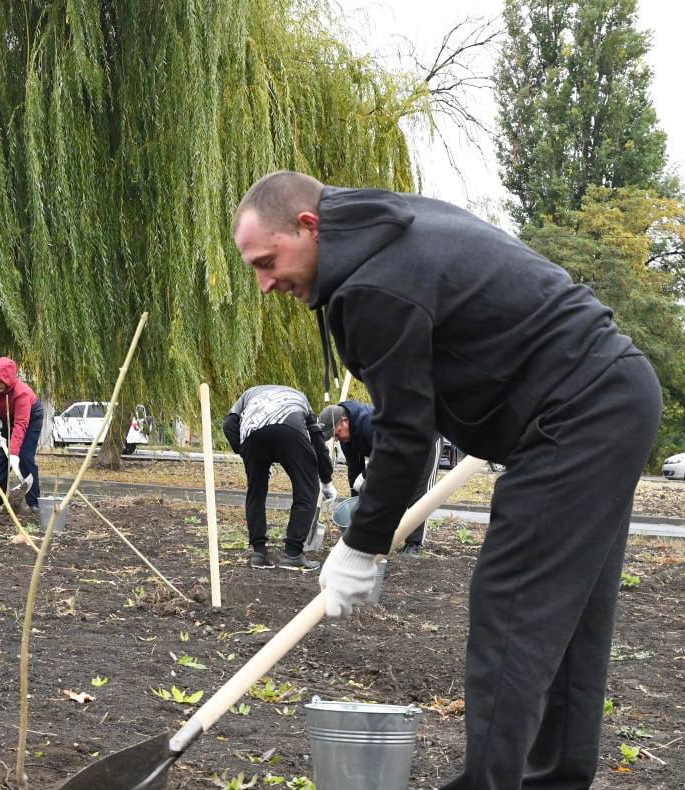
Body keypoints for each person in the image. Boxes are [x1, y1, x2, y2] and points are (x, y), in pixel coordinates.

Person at [232, 171, 662, 790]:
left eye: (268, 262)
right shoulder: (387, 229)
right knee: (568, 616)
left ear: (309, 226)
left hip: (578, 411)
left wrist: (362, 545)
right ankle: (555, 779)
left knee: (511, 606)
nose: (265, 283)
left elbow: (407, 436)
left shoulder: (374, 285)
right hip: (613, 392)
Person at [222, 384, 336, 571]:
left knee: (256, 491)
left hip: (252, 432)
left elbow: (228, 425)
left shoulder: (248, 395)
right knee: (307, 489)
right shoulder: (300, 397)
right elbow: (317, 440)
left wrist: (246, 453)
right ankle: (292, 554)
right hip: (289, 428)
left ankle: (258, 553)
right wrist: (326, 480)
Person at [317, 400, 441, 555]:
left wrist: (365, 476)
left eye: (336, 434)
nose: (336, 439)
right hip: (397, 450)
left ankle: (414, 543)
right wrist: (356, 506)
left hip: (423, 437)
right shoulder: (346, 440)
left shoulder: (368, 422)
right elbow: (354, 471)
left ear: (345, 421)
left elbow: (386, 455)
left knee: (418, 491)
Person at [0, 356, 42, 513]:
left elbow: (21, 425)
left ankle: (34, 502)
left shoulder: (21, 393)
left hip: (31, 420)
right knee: (3, 460)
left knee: (25, 458)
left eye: (0, 381)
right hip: (8, 419)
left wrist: (14, 453)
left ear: (8, 378)